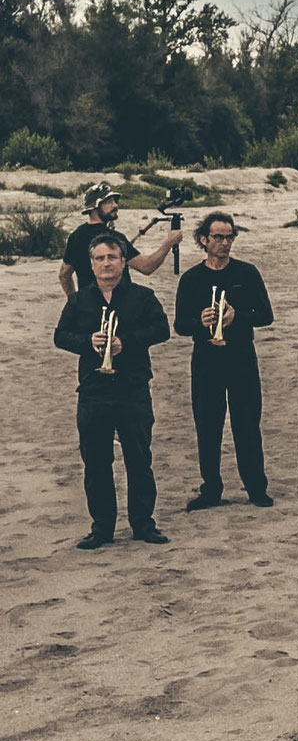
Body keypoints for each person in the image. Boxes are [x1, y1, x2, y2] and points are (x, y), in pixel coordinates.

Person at [54, 233, 172, 548]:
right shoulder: (79, 300)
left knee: (138, 459)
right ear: (91, 265)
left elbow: (162, 329)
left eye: (112, 257)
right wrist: (86, 343)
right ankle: (102, 528)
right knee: (96, 462)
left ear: (122, 262)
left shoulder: (143, 296)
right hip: (93, 390)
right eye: (100, 258)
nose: (107, 263)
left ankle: (144, 526)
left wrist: (127, 342)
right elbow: (60, 336)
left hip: (132, 388)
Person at [174, 212, 275, 511]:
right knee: (208, 426)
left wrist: (237, 317)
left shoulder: (247, 272)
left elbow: (266, 315)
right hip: (206, 360)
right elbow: (180, 325)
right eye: (218, 237)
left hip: (242, 357)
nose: (225, 243)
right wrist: (200, 321)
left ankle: (256, 487)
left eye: (229, 236)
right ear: (203, 240)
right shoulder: (191, 279)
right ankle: (211, 489)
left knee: (247, 424)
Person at [58, 183, 182, 297]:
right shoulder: (114, 238)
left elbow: (64, 275)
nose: (115, 205)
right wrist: (169, 242)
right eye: (109, 202)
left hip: (88, 307)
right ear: (95, 206)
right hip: (118, 306)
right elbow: (146, 267)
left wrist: (75, 301)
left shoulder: (76, 235)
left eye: (115, 201)